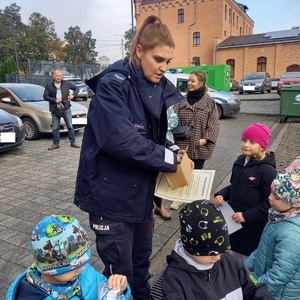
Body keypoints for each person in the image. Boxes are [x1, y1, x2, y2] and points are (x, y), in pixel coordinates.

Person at [74, 15, 188, 300]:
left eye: (168, 62)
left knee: (140, 267)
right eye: (158, 59)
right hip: (111, 203)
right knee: (119, 275)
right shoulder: (114, 85)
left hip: (139, 199)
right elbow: (120, 140)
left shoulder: (153, 87)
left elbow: (151, 136)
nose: (164, 68)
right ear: (139, 51)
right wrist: (169, 160)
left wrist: (172, 150)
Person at [161, 200, 275, 300]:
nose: (218, 257)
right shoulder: (174, 279)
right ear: (191, 248)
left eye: (221, 250)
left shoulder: (231, 262)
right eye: (211, 253)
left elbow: (252, 288)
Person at [6, 215, 131, 300]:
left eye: (83, 259)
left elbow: (103, 289)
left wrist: (119, 290)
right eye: (75, 265)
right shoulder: (30, 295)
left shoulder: (84, 270)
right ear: (50, 268)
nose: (82, 268)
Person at [214, 123, 277, 260]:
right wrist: (222, 194)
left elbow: (269, 203)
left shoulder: (267, 171)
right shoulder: (239, 161)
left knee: (243, 259)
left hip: (252, 227)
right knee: (228, 253)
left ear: (262, 146)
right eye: (244, 140)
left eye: (252, 142)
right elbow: (234, 185)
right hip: (233, 220)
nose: (246, 145)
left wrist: (246, 216)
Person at [245, 170, 300, 300]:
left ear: (294, 204)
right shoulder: (278, 216)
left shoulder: (291, 235)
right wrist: (250, 263)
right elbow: (265, 246)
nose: (270, 197)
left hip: (278, 294)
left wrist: (255, 289)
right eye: (272, 192)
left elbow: (280, 274)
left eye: (277, 197)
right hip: (263, 281)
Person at [170, 70, 219, 210]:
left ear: (201, 83)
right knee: (181, 170)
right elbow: (173, 118)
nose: (189, 84)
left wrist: (206, 139)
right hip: (182, 142)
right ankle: (179, 197)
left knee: (196, 171)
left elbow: (214, 123)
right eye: (188, 81)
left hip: (199, 144)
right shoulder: (181, 100)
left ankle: (194, 197)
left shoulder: (209, 102)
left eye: (192, 81)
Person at [44, 70, 81, 150]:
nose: (58, 77)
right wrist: (54, 100)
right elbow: (45, 96)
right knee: (55, 128)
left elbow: (76, 88)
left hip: (66, 108)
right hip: (55, 110)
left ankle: (73, 142)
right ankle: (55, 144)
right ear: (53, 76)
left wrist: (73, 96)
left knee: (70, 126)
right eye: (57, 75)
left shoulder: (66, 83)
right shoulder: (49, 85)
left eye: (60, 75)